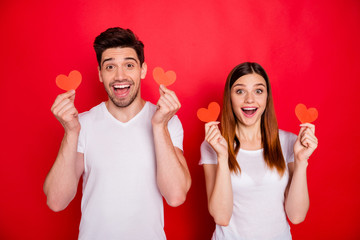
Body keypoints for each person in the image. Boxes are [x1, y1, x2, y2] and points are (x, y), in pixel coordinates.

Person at [43, 27, 191, 240]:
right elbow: (56, 201)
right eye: (110, 66)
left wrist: (159, 127)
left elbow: (176, 196)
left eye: (129, 65)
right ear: (100, 74)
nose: (120, 76)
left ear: (142, 70)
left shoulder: (167, 122)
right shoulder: (82, 124)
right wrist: (71, 132)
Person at [199, 62, 318, 240]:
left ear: (267, 98)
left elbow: (296, 216)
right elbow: (221, 217)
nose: (250, 99)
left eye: (258, 91)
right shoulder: (212, 145)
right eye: (240, 91)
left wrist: (301, 162)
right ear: (229, 97)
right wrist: (223, 157)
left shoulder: (289, 142)